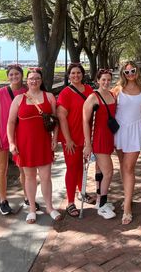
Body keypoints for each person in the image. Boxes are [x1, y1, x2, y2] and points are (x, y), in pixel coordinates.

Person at [7, 68, 61, 224]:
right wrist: (11, 142)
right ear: (27, 81)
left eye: (37, 78)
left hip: (43, 142)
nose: (34, 81)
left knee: (46, 177)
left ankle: (49, 207)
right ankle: (31, 208)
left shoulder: (49, 97)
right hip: (24, 144)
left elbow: (55, 120)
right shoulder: (18, 99)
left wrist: (55, 138)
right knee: (29, 177)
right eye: (31, 78)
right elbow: (10, 122)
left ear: (41, 80)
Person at [0, 64, 33, 215]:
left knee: (23, 169)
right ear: (7, 76)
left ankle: (28, 197)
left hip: (20, 135)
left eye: (17, 74)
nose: (14, 77)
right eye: (11, 74)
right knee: (2, 169)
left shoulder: (27, 92)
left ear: (22, 75)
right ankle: (3, 201)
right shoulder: (0, 93)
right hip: (2, 134)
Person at [56, 63, 95, 217]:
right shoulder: (65, 93)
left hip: (85, 136)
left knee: (82, 166)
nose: (76, 75)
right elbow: (61, 117)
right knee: (72, 168)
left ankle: (82, 192)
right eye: (73, 73)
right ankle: (70, 202)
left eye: (78, 73)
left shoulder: (89, 90)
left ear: (82, 74)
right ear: (68, 75)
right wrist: (68, 139)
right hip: (70, 137)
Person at [113, 61, 141, 225]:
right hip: (120, 131)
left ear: (137, 71)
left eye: (133, 71)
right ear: (123, 74)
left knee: (129, 167)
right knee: (122, 166)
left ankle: (127, 208)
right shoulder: (117, 90)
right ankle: (127, 198)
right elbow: (105, 104)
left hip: (136, 130)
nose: (131, 74)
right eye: (127, 72)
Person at [83, 69, 117, 219]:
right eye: (103, 80)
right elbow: (85, 121)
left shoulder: (112, 95)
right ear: (98, 80)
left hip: (110, 136)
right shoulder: (92, 97)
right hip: (99, 139)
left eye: (109, 80)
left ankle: (99, 200)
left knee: (100, 170)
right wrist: (88, 144)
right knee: (109, 171)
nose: (106, 82)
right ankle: (103, 205)